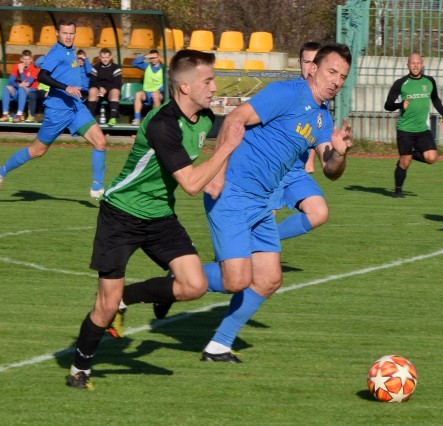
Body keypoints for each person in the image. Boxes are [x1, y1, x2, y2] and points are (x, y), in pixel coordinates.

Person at [110, 44, 353, 364]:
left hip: (261, 202)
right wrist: (219, 170)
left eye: (343, 76)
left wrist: (339, 153)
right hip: (234, 192)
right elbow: (236, 118)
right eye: (331, 72)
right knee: (236, 279)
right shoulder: (286, 93)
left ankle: (218, 346)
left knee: (268, 279)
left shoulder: (322, 117)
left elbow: (330, 170)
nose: (336, 80)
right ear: (313, 68)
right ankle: (129, 295)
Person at [65, 49, 244, 390]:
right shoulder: (162, 124)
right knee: (103, 308)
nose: (214, 86)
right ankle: (79, 369)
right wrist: (225, 151)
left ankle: (126, 298)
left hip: (160, 216)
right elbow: (191, 184)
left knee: (195, 285)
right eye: (207, 80)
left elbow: (240, 127)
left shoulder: (204, 118)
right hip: (120, 215)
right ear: (185, 87)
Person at [0, 20, 108, 200]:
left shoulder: (71, 52)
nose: (68, 37)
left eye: (71, 33)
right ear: (57, 33)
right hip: (57, 110)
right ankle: (0, 171)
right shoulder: (57, 52)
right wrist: (66, 88)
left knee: (100, 142)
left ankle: (97, 188)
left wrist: (92, 90)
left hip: (75, 107)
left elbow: (72, 82)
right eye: (65, 33)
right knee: (37, 151)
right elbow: (42, 76)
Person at [269, 41, 329, 240]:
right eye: (306, 61)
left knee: (319, 212)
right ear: (299, 64)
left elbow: (313, 133)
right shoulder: (287, 92)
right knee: (265, 220)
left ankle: (268, 240)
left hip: (295, 171)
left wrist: (312, 159)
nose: (311, 67)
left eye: (315, 62)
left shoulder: (321, 101)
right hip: (272, 169)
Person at [384, 53, 443, 198]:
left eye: (418, 63)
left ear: (422, 64)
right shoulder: (401, 83)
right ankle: (398, 190)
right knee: (404, 162)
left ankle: (410, 154)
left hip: (422, 129)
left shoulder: (429, 81)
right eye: (412, 63)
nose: (415, 65)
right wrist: (400, 104)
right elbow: (387, 105)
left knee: (432, 158)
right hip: (405, 129)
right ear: (407, 65)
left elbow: (435, 99)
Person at [0, 50, 40, 123]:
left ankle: (19, 114)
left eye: (28, 59)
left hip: (31, 90)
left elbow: (27, 83)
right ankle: (5, 114)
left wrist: (21, 72)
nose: (26, 61)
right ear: (21, 59)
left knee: (22, 89)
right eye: (24, 59)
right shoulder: (16, 66)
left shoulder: (34, 68)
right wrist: (18, 85)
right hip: (19, 88)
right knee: (7, 88)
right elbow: (10, 81)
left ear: (31, 60)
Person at [87, 48, 121, 127]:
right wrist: (100, 88)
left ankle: (113, 118)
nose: (105, 59)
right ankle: (90, 119)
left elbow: (117, 83)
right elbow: (92, 82)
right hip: (99, 91)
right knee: (92, 90)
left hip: (110, 91)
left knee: (115, 91)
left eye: (107, 57)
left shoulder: (116, 67)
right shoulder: (95, 67)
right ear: (99, 57)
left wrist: (106, 90)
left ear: (110, 57)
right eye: (103, 57)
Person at [131, 49, 164, 126]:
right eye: (151, 58)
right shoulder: (146, 66)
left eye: (155, 57)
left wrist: (159, 90)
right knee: (138, 94)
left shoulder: (163, 68)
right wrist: (145, 56)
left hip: (158, 93)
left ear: (159, 57)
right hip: (147, 93)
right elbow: (134, 63)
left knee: (155, 96)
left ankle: (156, 119)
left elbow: (166, 83)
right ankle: (136, 119)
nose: (153, 60)